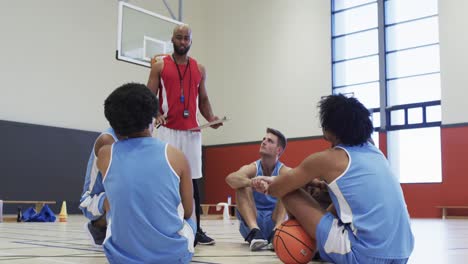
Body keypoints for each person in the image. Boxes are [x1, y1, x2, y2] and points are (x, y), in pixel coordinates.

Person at [253, 94, 414, 264]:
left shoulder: (327, 158)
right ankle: (315, 242)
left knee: (289, 192)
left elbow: (279, 188)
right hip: (402, 253)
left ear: (329, 129)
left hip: (363, 256)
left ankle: (307, 243)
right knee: (339, 198)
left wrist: (266, 183)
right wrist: (316, 184)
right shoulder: (377, 154)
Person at [97, 83, 196, 263]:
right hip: (174, 258)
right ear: (153, 117)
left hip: (119, 258)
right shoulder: (177, 156)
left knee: (112, 204)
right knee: (190, 211)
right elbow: (188, 211)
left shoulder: (105, 155)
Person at [147, 24, 222, 245]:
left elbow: (204, 100)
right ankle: (161, 226)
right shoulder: (159, 66)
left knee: (193, 181)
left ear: (190, 41)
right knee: (164, 179)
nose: (182, 42)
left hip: (192, 132)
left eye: (186, 38)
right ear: (172, 39)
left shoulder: (200, 68)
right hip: (167, 131)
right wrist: (157, 113)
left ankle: (196, 229)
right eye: (178, 37)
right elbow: (149, 96)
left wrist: (211, 119)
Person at [225, 128, 290, 251]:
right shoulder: (252, 167)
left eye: (270, 141)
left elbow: (299, 180)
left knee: (288, 185)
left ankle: (277, 232)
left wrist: (272, 184)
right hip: (252, 222)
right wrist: (252, 183)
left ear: (278, 150)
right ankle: (256, 233)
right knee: (241, 184)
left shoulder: (283, 170)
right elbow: (230, 178)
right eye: (263, 139)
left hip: (274, 220)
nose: (264, 142)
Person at [79, 128, 119, 246]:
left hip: (113, 195)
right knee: (119, 195)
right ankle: (106, 235)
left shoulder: (134, 138)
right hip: (92, 200)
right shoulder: (107, 140)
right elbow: (118, 183)